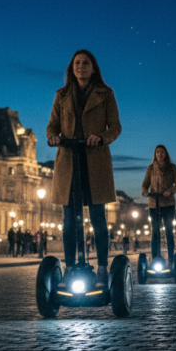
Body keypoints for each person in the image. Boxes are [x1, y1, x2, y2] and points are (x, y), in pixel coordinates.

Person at [48, 49, 122, 286]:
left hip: (94, 160)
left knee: (98, 219)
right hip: (69, 161)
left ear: (93, 68)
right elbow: (52, 126)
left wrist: (100, 137)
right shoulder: (61, 95)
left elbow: (115, 128)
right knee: (69, 221)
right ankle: (70, 267)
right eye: (77, 63)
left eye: (86, 63)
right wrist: (52, 137)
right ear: (72, 68)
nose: (81, 67)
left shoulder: (106, 94)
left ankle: (101, 267)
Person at [142, 144, 176, 261]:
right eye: (158, 152)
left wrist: (171, 191)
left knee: (169, 231)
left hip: (168, 204)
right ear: (155, 154)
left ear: (166, 154)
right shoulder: (151, 168)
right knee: (155, 232)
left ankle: (171, 258)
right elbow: (145, 184)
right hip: (154, 204)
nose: (160, 154)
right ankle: (155, 258)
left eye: (162, 152)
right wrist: (144, 192)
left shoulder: (172, 167)